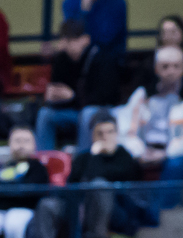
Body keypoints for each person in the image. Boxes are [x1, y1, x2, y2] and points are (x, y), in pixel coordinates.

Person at [116, 46, 183, 217]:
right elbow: (126, 131)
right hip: (146, 150)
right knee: (119, 160)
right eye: (165, 67)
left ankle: (162, 214)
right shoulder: (142, 95)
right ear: (156, 69)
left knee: (175, 163)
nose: (170, 71)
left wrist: (166, 153)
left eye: (176, 66)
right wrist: (140, 151)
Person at [29, 111, 142, 238]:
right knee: (48, 206)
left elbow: (112, 177)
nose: (105, 137)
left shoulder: (124, 157)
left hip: (116, 212)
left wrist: (96, 156)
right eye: (99, 133)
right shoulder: (83, 157)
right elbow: (72, 185)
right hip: (81, 208)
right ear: (91, 135)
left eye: (110, 132)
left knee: (99, 185)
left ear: (117, 133)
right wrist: (94, 155)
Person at [34, 19, 122, 151]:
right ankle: (45, 158)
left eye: (72, 40)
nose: (68, 45)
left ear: (85, 39)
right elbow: (55, 91)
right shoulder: (61, 59)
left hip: (98, 112)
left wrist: (73, 96)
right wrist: (52, 98)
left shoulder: (101, 58)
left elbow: (106, 96)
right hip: (72, 112)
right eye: (65, 40)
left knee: (87, 114)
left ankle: (82, 159)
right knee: (45, 114)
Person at [0, 126, 50, 238]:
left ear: (34, 145)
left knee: (13, 224)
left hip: (25, 210)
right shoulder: (2, 167)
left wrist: (6, 193)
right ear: (9, 144)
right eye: (17, 141)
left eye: (26, 141)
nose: (21, 145)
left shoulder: (37, 167)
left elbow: (32, 194)